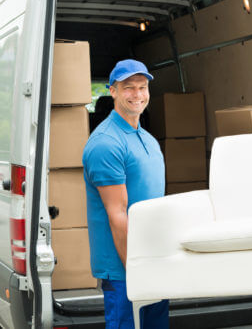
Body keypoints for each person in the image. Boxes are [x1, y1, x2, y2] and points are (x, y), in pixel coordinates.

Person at [83, 59, 168, 328]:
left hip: (153, 260)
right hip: (126, 269)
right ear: (113, 91)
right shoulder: (106, 144)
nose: (137, 95)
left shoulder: (147, 139)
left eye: (142, 87)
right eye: (129, 88)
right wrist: (137, 269)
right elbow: (117, 215)